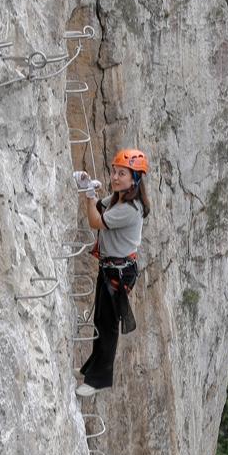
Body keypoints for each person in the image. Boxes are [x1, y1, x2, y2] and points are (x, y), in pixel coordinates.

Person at [72, 149, 149, 397]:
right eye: (114, 172)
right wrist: (90, 189)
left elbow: (96, 221)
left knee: (107, 326)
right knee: (101, 320)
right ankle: (91, 369)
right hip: (112, 268)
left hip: (118, 273)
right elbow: (99, 206)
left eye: (122, 174)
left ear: (134, 179)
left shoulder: (130, 208)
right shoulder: (119, 199)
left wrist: (88, 194)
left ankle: (98, 380)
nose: (115, 177)